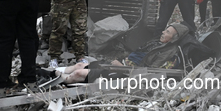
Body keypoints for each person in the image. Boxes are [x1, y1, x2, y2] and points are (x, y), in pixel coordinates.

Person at [58, 23, 189, 84]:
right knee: (80, 66)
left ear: (175, 38)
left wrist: (122, 67)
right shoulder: (159, 44)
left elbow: (151, 74)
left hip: (125, 74)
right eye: (165, 30)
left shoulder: (171, 55)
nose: (163, 32)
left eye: (167, 32)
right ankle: (51, 73)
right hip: (121, 66)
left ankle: (56, 79)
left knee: (78, 73)